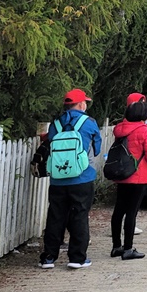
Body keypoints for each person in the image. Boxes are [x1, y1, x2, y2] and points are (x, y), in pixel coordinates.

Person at [39, 88, 102, 270]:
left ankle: (48, 258)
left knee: (55, 216)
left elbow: (49, 144)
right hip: (82, 179)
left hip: (58, 180)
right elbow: (96, 149)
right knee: (80, 216)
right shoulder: (89, 123)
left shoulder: (56, 124)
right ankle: (77, 258)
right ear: (82, 104)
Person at [110, 94, 147, 260]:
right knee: (131, 213)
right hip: (138, 177)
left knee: (118, 211)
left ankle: (116, 246)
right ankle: (128, 248)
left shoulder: (120, 129)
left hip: (122, 175)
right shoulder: (145, 131)